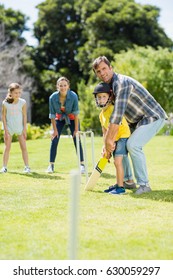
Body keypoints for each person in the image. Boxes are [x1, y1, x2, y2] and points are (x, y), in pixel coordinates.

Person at [92, 56, 168, 195]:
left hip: (152, 116)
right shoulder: (109, 89)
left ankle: (144, 185)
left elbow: (117, 114)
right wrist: (107, 143)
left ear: (111, 68)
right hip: (136, 122)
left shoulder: (121, 83)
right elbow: (110, 121)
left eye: (104, 68)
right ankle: (127, 181)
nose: (102, 73)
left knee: (132, 145)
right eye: (98, 71)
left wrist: (109, 140)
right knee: (121, 144)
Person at [93, 82, 136, 195]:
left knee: (117, 162)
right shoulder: (101, 115)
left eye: (104, 97)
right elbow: (105, 132)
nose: (101, 99)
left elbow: (117, 127)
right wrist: (105, 147)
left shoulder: (113, 109)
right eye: (99, 97)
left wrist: (111, 142)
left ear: (109, 97)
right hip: (114, 138)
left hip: (122, 136)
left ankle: (121, 188)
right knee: (115, 162)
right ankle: (118, 184)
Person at [46, 76, 85, 173]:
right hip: (59, 118)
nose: (63, 87)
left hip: (72, 118)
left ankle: (82, 164)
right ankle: (51, 165)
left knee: (77, 139)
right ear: (57, 86)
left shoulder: (73, 96)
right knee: (54, 139)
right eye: (60, 85)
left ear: (68, 86)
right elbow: (52, 115)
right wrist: (55, 131)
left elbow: (76, 114)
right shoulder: (52, 97)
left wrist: (76, 130)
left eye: (65, 85)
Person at [0, 83, 31, 173]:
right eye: (15, 93)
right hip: (9, 128)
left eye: (19, 92)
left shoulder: (23, 102)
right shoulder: (5, 103)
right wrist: (5, 130)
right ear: (11, 93)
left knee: (24, 147)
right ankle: (4, 167)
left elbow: (25, 116)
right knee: (7, 148)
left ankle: (27, 167)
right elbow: (3, 117)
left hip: (20, 128)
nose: (18, 95)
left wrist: (24, 129)